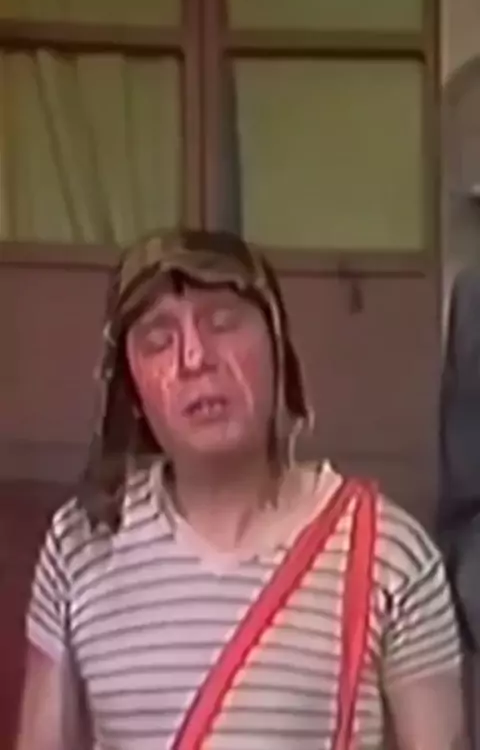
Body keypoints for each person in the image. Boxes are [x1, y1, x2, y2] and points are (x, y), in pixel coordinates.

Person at [17, 229, 466, 750]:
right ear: (131, 389)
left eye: (223, 322)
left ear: (278, 348)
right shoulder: (81, 542)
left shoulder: (388, 553)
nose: (194, 358)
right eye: (158, 341)